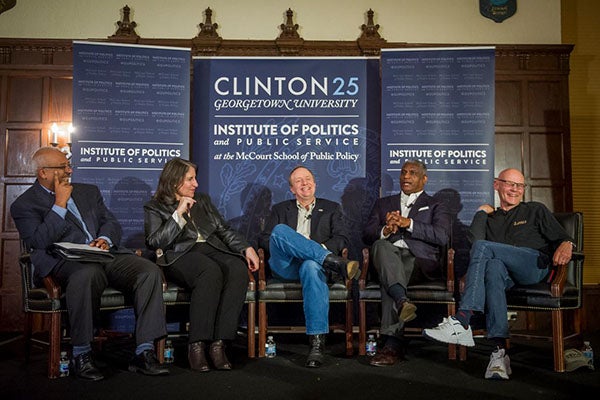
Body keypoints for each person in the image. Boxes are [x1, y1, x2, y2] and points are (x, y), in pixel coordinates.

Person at [10, 147, 168, 381]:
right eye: (63, 167)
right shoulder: (24, 204)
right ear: (43, 172)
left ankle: (143, 351)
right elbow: (38, 241)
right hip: (64, 262)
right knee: (87, 274)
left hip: (104, 255)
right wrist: (59, 205)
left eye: (68, 165)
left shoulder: (87, 192)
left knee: (148, 271)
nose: (69, 170)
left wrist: (104, 239)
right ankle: (81, 354)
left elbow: (111, 222)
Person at [423, 168, 575, 380]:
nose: (515, 189)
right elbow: (475, 241)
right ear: (496, 185)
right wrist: (481, 213)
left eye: (519, 185)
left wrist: (568, 243)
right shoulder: (491, 218)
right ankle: (499, 353)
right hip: (506, 273)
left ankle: (463, 318)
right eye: (509, 184)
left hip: (533, 264)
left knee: (486, 249)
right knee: (492, 268)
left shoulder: (535, 210)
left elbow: (563, 237)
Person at [144, 157, 259, 372]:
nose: (196, 184)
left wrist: (245, 248)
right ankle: (196, 345)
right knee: (209, 271)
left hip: (211, 250)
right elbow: (155, 242)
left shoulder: (203, 200)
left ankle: (219, 344)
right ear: (174, 181)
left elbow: (223, 229)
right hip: (179, 255)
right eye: (190, 179)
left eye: (195, 179)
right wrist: (178, 215)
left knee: (236, 268)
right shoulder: (155, 206)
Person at [258, 166, 359, 368]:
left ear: (315, 183)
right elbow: (264, 239)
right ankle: (332, 261)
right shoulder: (280, 209)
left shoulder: (331, 208)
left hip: (314, 267)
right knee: (279, 230)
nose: (305, 183)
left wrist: (314, 250)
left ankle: (316, 342)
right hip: (285, 265)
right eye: (298, 181)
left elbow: (342, 238)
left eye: (308, 179)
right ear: (292, 189)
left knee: (311, 266)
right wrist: (295, 244)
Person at [362, 160, 450, 367]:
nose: (406, 176)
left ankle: (392, 344)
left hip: (418, 263)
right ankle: (402, 301)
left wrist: (408, 224)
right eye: (403, 172)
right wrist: (385, 230)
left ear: (424, 179)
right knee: (381, 247)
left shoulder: (437, 204)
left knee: (389, 279)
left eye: (412, 173)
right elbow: (366, 234)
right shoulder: (383, 203)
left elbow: (443, 236)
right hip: (388, 257)